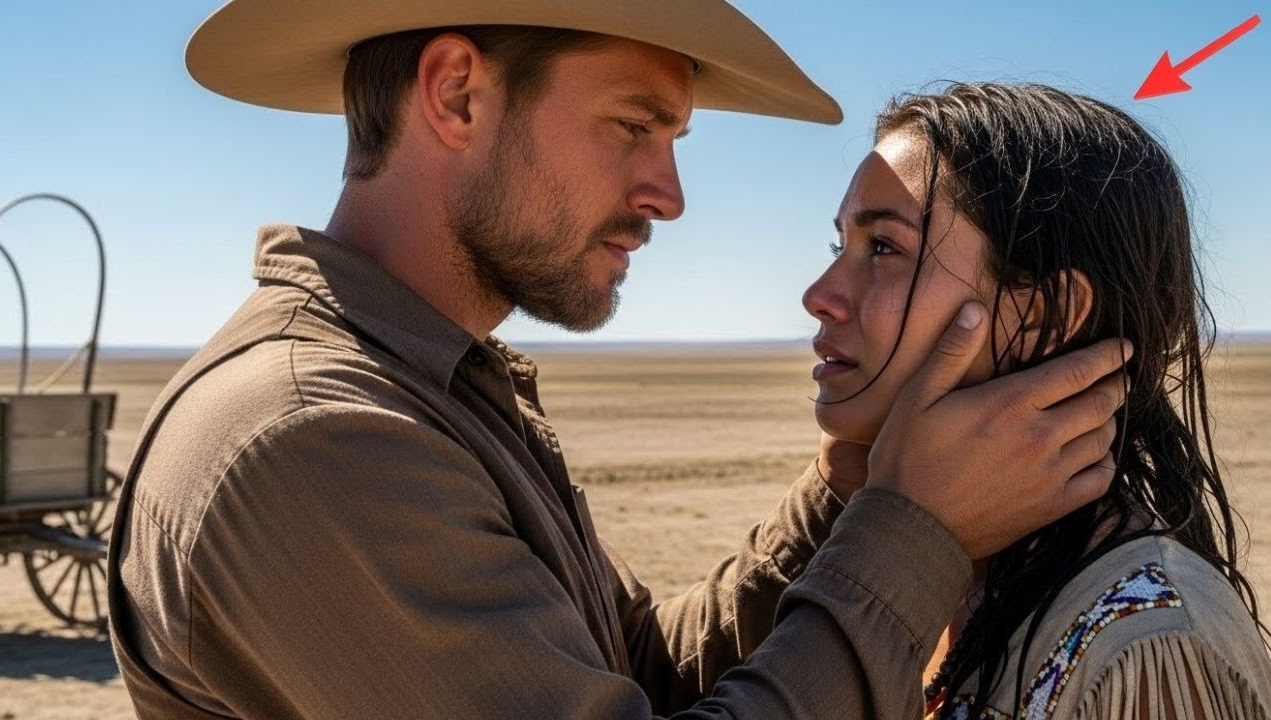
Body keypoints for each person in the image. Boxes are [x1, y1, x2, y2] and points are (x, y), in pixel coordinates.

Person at [106, 4, 1129, 718]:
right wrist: (915, 536)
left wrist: (851, 492)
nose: (667, 193)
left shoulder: (431, 388)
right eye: (633, 127)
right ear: (456, 93)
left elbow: (637, 670)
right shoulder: (315, 439)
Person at [803, 81, 1271, 720]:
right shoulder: (952, 579)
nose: (820, 292)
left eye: (883, 248)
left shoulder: (1148, 641)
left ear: (1043, 313)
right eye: (841, 247)